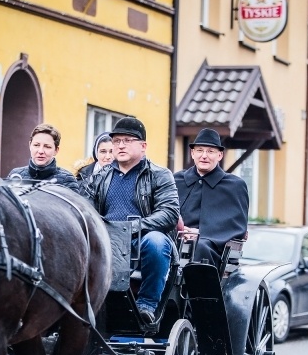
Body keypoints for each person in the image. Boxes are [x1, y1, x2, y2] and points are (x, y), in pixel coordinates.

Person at [83, 116, 179, 325]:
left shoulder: (161, 175)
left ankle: (147, 305)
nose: (120, 145)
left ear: (143, 146)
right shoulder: (99, 177)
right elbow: (86, 210)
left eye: (127, 140)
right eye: (116, 141)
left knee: (157, 242)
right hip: (107, 241)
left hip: (142, 240)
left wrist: (132, 227)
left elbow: (169, 213)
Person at [173, 128, 249, 269]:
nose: (204, 156)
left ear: (220, 155)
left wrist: (201, 233)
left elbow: (237, 226)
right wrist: (180, 230)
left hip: (214, 247)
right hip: (176, 238)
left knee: (201, 246)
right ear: (192, 153)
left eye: (210, 151)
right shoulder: (175, 180)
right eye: (200, 150)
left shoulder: (235, 185)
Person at [7, 123, 80, 192]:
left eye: (47, 147)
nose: (41, 151)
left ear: (56, 150)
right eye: (36, 145)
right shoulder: (16, 175)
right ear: (30, 145)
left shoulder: (67, 180)